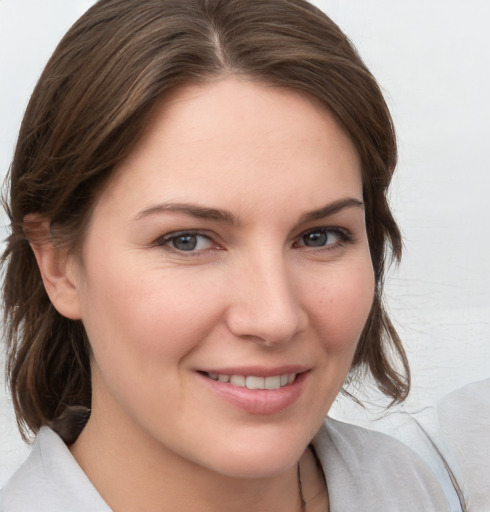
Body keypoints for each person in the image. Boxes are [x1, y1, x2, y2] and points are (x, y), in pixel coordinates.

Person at [0, 0, 452, 510]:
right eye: (187, 240)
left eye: (320, 236)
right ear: (59, 266)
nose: (275, 318)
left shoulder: (419, 487)